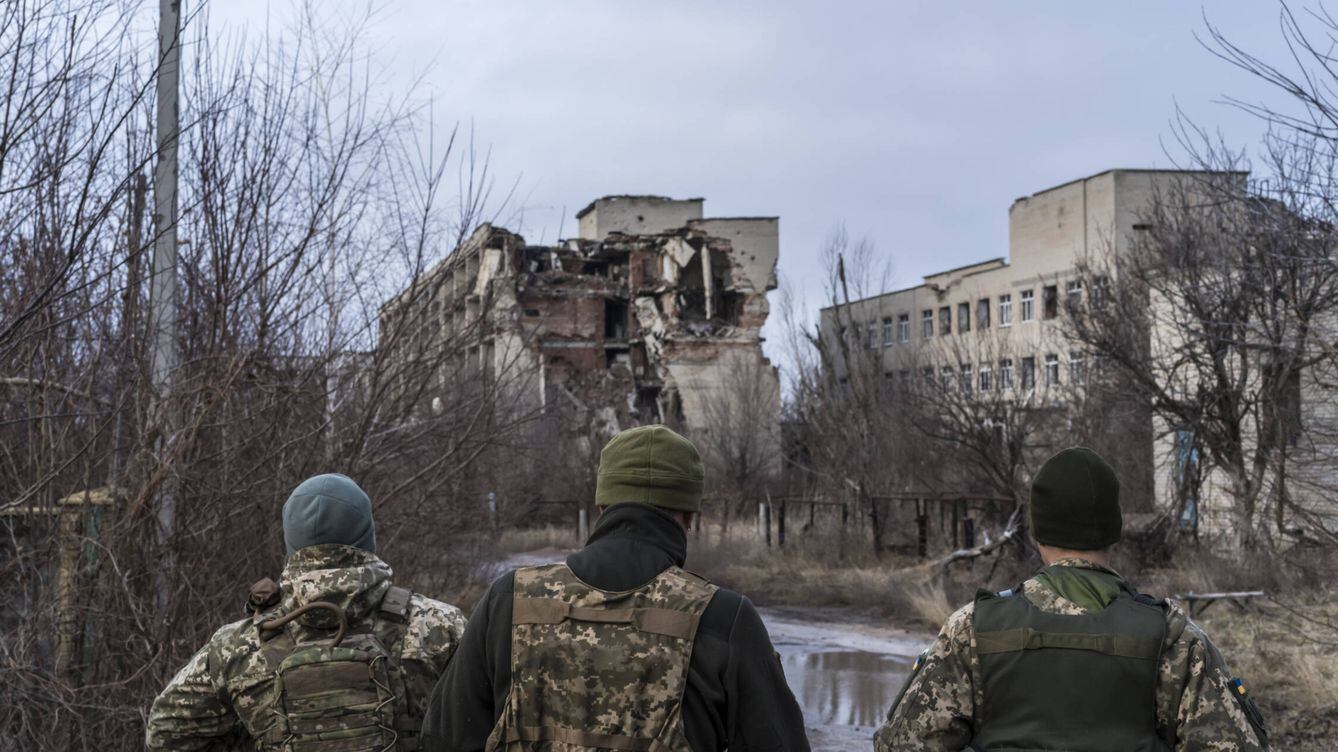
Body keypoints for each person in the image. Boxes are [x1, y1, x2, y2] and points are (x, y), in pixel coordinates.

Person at [422, 425, 810, 752]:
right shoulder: (723, 618)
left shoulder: (509, 600)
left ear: (600, 507)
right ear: (690, 516)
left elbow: (444, 738)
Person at [874, 447, 1270, 751]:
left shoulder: (972, 631)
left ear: (1037, 532)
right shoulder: (1176, 641)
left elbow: (901, 744)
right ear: (1113, 530)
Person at [146, 473, 467, 751]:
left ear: (291, 541)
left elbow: (165, 734)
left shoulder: (236, 647)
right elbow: (493, 722)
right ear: (368, 533)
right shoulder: (438, 626)